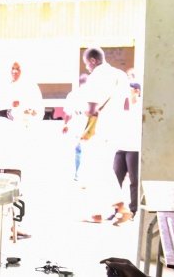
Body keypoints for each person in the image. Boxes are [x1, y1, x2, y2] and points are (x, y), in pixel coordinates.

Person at [0, 61, 43, 240]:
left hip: (19, 136)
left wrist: (28, 112)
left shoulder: (30, 87)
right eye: (11, 68)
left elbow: (38, 112)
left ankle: (15, 224)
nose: (14, 71)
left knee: (16, 179)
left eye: (18, 68)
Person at [78, 47, 131, 225]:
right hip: (118, 129)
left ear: (93, 61)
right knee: (98, 169)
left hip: (100, 130)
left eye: (87, 64)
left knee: (96, 169)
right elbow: (126, 105)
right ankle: (98, 213)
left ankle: (120, 207)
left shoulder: (97, 76)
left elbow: (92, 109)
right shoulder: (121, 75)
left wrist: (82, 111)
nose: (87, 68)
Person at [113, 82, 142, 217]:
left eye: (129, 89)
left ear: (136, 91)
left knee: (134, 180)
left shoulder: (141, 106)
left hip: (134, 147)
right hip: (120, 146)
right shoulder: (121, 105)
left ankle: (134, 210)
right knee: (115, 177)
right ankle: (116, 209)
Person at [62, 73, 88, 181]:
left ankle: (76, 173)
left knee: (77, 149)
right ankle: (78, 173)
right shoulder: (90, 94)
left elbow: (67, 113)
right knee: (81, 149)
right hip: (84, 122)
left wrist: (65, 124)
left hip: (77, 121)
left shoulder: (73, 94)